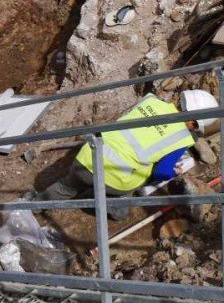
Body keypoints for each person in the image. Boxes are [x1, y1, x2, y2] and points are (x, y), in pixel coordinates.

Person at [31, 91, 219, 217]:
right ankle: (110, 203)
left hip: (88, 158)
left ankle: (33, 206)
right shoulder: (182, 138)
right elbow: (161, 173)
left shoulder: (151, 102)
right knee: (122, 211)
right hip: (117, 180)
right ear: (193, 123)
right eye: (196, 127)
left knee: (66, 186)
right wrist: (173, 172)